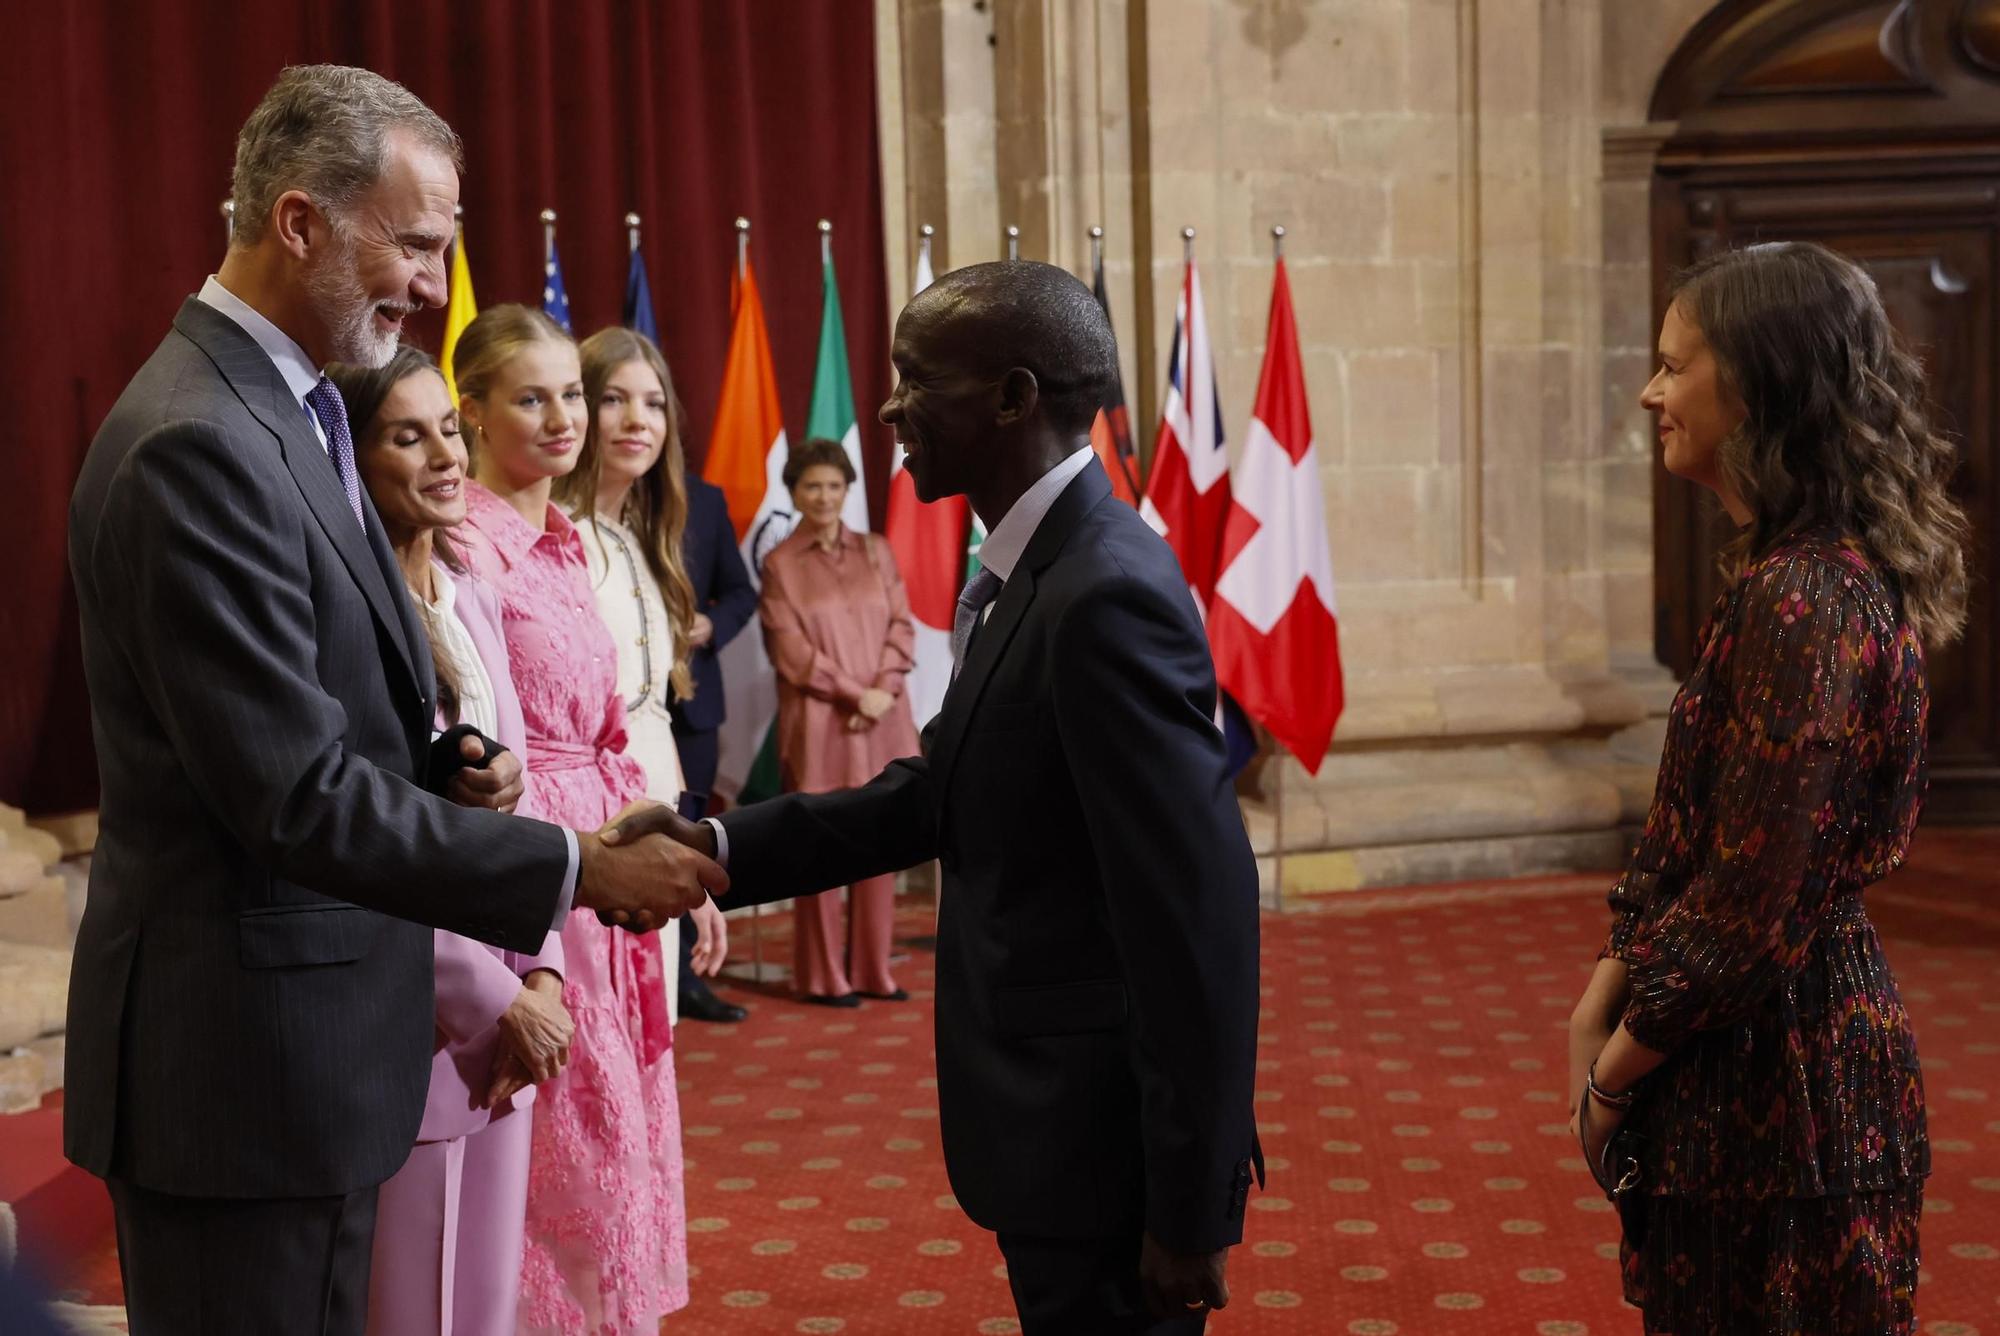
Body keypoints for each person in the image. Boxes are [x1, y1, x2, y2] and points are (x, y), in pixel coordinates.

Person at [62, 66, 716, 1334]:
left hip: (319, 1056)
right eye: (413, 244)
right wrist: (571, 864)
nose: (430, 286)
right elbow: (291, 792)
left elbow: (331, 709)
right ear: (298, 221)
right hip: (242, 1073)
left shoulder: (291, 410)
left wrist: (442, 763)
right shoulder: (198, 437)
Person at [611, 261, 1262, 1333]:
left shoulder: (1101, 593)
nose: (888, 407)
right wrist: (713, 843)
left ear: (1012, 396)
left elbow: (1195, 919)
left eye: (917, 378)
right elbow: (936, 793)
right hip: (1055, 1139)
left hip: (1106, 1156)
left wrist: (1192, 1204)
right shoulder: (1040, 572)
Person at [1568, 241, 1967, 1335]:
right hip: (1754, 1075)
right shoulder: (1790, 576)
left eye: (1672, 363)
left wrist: (1613, 1070)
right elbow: (1693, 841)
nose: (1650, 390)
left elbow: (1754, 904)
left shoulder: (1802, 601)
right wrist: (1610, 971)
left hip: (1783, 1094)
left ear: (1756, 379)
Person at [452, 304, 689, 1334]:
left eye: (569, 397)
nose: (563, 419)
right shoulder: (466, 543)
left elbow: (607, 727)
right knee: (560, 1136)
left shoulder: (564, 542)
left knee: (615, 1115)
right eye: (531, 397)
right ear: (472, 413)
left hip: (609, 847)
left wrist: (671, 849)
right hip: (536, 860)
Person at [329, 348, 572, 1336]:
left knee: (481, 1311)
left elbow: (519, 803)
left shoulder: (470, 592)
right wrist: (489, 995)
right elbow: (356, 834)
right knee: (411, 1313)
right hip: (420, 1017)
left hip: (511, 1008)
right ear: (348, 454)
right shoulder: (339, 615)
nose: (442, 455)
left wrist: (545, 969)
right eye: (405, 433)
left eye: (447, 429)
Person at [560, 326, 730, 1026]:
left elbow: (652, 717)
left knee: (647, 1041)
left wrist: (690, 863)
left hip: (656, 821)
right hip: (587, 836)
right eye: (613, 399)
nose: (638, 420)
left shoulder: (641, 540)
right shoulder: (552, 535)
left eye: (654, 404)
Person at [756, 435, 920, 1006]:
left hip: (885, 720)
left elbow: (902, 628)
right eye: (812, 486)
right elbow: (792, 653)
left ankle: (875, 970)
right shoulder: (778, 565)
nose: (824, 496)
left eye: (833, 485)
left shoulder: (877, 550)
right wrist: (857, 695)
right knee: (820, 851)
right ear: (794, 492)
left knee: (880, 844)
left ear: (848, 490)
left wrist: (882, 691)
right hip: (822, 724)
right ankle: (824, 977)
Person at [669, 440, 758, 1024]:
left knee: (686, 836)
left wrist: (711, 622)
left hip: (693, 700)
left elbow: (743, 593)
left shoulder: (705, 500)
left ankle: (686, 977)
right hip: (616, 701)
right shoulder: (584, 495)